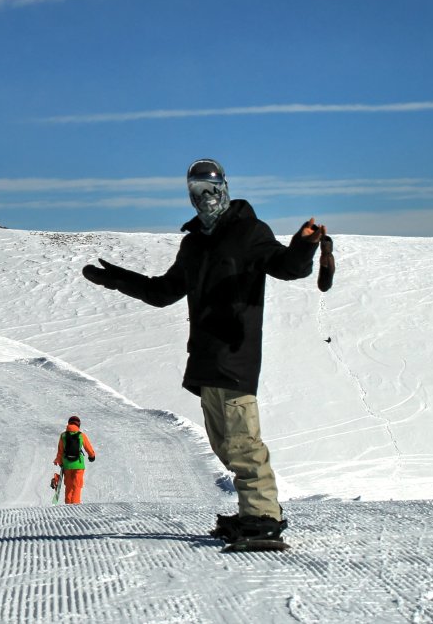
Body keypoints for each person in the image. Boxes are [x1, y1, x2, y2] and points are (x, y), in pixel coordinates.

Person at [81, 158, 325, 547]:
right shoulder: (194, 243)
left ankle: (263, 516)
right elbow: (163, 293)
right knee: (225, 446)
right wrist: (117, 279)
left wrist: (305, 243)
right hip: (206, 358)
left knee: (244, 443)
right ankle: (254, 512)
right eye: (196, 191)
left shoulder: (249, 232)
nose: (205, 198)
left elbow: (288, 267)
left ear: (225, 188)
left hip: (236, 353)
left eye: (211, 189)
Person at [53, 415, 97, 504]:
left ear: (69, 423)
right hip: (79, 465)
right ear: (78, 425)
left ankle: (68, 504)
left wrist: (59, 461)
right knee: (77, 485)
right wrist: (92, 456)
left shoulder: (63, 435)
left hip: (67, 465)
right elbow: (88, 448)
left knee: (68, 486)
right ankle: (76, 504)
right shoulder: (81, 435)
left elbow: (60, 451)